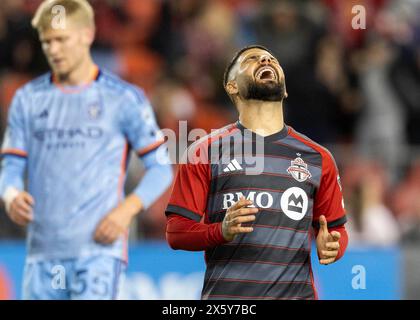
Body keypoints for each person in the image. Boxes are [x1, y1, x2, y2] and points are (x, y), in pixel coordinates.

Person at [0, 0, 173, 300]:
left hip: (98, 252)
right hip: (43, 253)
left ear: (86, 34)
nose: (53, 50)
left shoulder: (124, 99)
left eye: (61, 40)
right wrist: (11, 194)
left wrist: (126, 210)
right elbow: (11, 167)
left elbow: (160, 168)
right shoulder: (28, 99)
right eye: (47, 41)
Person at [165, 45, 348, 300]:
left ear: (284, 89)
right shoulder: (204, 151)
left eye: (273, 59)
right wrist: (221, 231)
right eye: (252, 59)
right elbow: (176, 232)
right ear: (232, 87)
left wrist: (333, 247)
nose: (266, 59)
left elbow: (337, 231)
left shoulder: (319, 158)